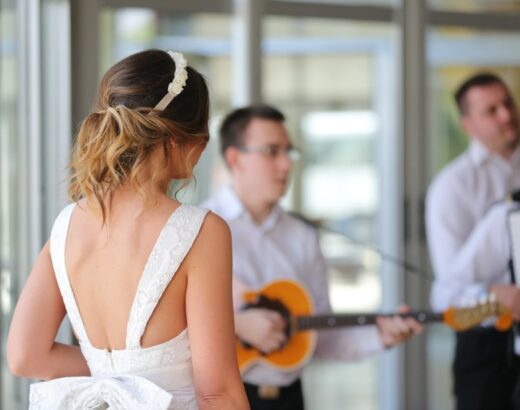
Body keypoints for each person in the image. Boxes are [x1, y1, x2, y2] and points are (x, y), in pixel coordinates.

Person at [7, 49, 249, 410]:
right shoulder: (200, 232)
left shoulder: (67, 225)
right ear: (177, 138)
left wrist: (115, 375)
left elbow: (26, 355)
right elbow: (217, 393)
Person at [202, 105, 423, 410]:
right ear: (234, 158)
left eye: (288, 153)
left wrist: (381, 337)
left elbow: (321, 336)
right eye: (271, 151)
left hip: (290, 399)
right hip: (220, 398)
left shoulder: (303, 236)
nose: (285, 165)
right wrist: (236, 323)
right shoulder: (200, 225)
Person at [426, 72, 520, 410]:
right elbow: (447, 298)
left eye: (508, 103)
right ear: (467, 124)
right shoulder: (451, 187)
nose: (506, 115)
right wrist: (494, 299)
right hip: (485, 348)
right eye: (491, 110)